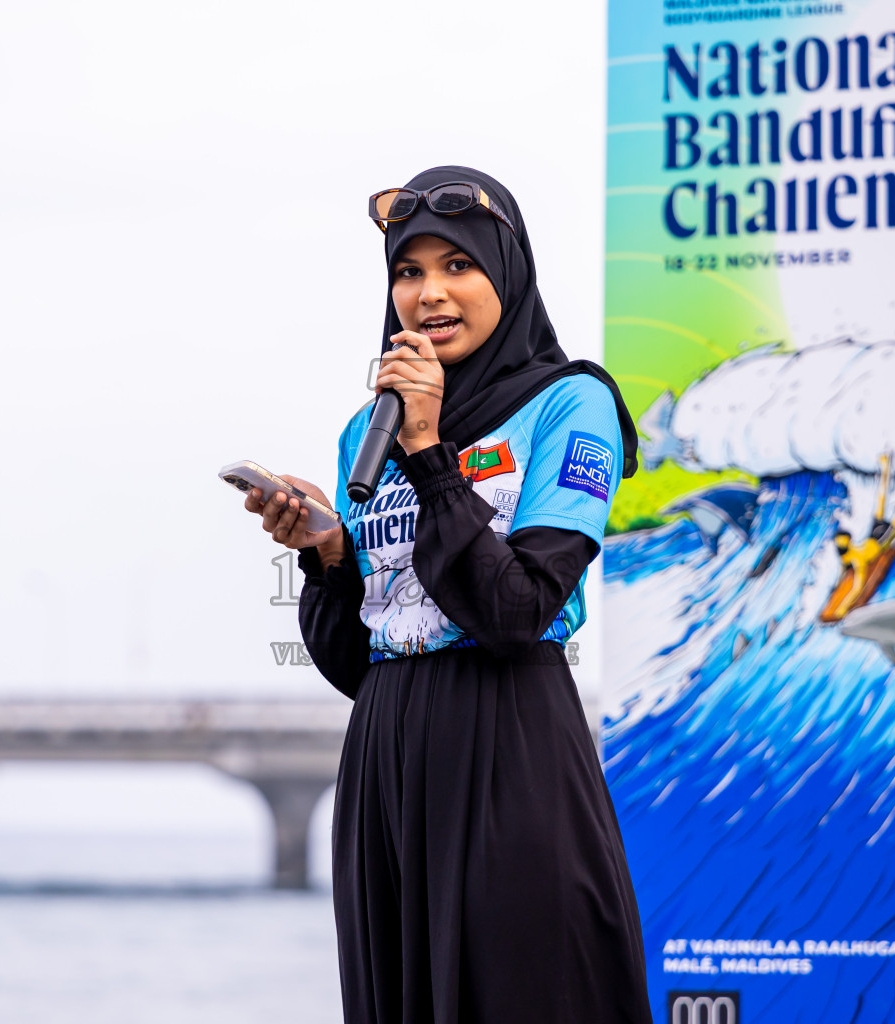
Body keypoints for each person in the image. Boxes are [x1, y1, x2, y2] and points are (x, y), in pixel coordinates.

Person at [243, 165, 650, 1024]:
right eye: (408, 271)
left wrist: (431, 455)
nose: (429, 294)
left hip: (510, 743)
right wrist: (326, 555)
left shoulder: (571, 404)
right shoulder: (370, 425)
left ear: (506, 270)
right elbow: (362, 659)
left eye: (457, 266)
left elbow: (516, 611)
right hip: (386, 752)